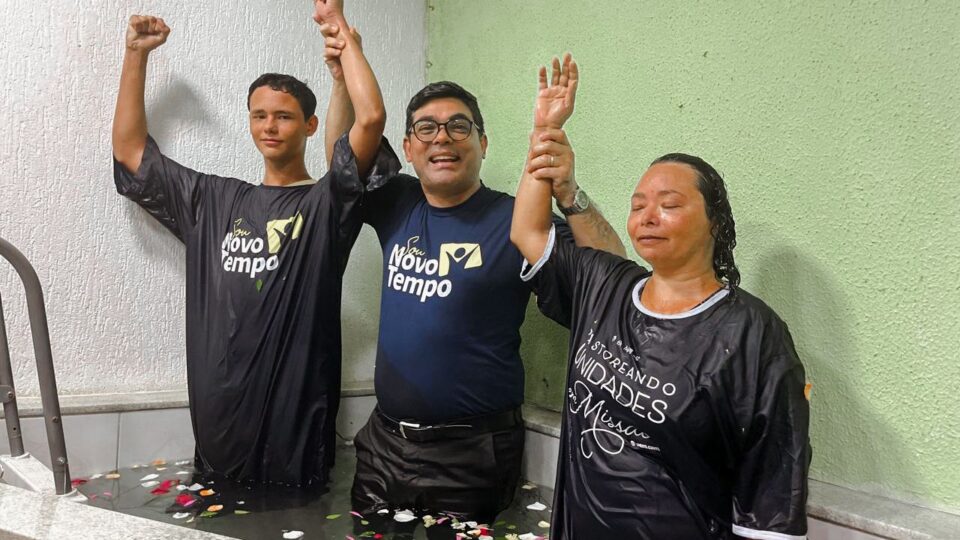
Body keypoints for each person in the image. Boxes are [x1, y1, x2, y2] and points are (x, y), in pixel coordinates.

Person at [321, 34, 625, 522]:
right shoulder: (396, 201)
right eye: (426, 128)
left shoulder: (518, 220)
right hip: (383, 442)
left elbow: (613, 277)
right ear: (407, 147)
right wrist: (340, 81)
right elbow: (342, 163)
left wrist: (569, 192)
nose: (441, 138)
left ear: (482, 143)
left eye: (458, 127)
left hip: (474, 452)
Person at [511, 56, 811, 539]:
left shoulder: (754, 334)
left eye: (669, 205)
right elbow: (529, 231)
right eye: (638, 205)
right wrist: (545, 136)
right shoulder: (606, 286)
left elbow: (772, 490)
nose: (648, 216)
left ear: (715, 221)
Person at [111, 1, 399, 486]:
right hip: (221, 423)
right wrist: (135, 56)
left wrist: (342, 42)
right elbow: (131, 152)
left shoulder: (327, 206)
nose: (269, 126)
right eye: (259, 115)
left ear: (308, 126)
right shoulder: (213, 201)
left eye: (284, 117)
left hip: (298, 433)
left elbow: (368, 123)